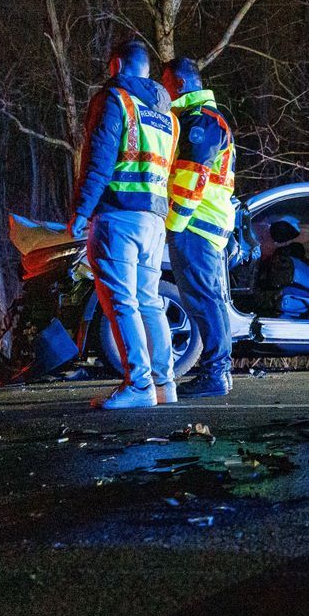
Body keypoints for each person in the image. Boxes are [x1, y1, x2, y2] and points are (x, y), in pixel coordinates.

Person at [68, 40, 177, 409]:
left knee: (121, 302)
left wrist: (82, 212)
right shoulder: (167, 115)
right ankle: (165, 384)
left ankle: (139, 385)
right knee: (149, 301)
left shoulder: (114, 100)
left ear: (116, 65)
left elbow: (98, 163)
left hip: (117, 217)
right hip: (154, 220)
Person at [161, 58, 237, 398]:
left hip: (196, 223)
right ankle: (218, 371)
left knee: (204, 300)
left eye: (164, 85)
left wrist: (173, 225)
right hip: (205, 222)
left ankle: (216, 374)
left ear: (178, 85)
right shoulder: (204, 119)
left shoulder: (199, 121)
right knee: (208, 299)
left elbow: (191, 179)